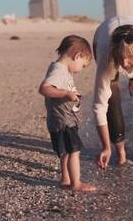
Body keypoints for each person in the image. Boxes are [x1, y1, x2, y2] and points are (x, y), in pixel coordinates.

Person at [92, 16, 133, 169]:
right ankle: (121, 156)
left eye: (129, 58)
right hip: (103, 38)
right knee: (112, 100)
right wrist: (105, 147)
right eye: (120, 58)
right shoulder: (105, 51)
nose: (124, 63)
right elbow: (99, 106)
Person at [38, 35, 97, 192]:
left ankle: (65, 179)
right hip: (63, 120)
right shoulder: (58, 70)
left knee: (64, 152)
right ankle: (76, 183)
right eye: (83, 65)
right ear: (77, 56)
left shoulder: (60, 70)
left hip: (61, 119)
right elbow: (44, 89)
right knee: (74, 151)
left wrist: (72, 95)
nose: (81, 70)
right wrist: (65, 94)